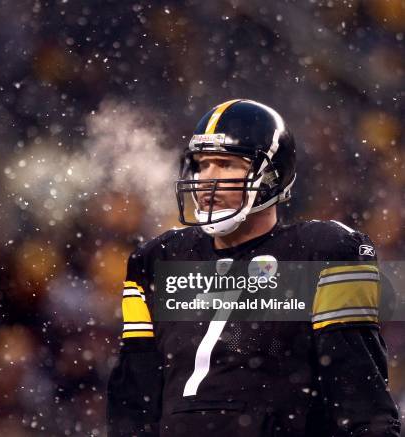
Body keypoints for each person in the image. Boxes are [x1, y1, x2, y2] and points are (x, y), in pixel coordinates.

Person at [106, 99, 401, 436]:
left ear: (273, 176)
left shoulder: (322, 253)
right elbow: (132, 404)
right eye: (202, 165)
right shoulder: (158, 260)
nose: (207, 178)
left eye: (226, 163)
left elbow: (362, 408)